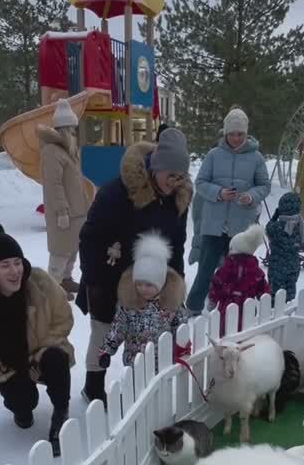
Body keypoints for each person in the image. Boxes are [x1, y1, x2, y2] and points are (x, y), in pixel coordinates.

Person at [78, 127, 192, 405]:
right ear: (156, 166)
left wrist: (176, 283)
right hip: (110, 273)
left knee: (151, 333)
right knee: (105, 331)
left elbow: (177, 243)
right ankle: (93, 386)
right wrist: (95, 280)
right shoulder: (116, 192)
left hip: (154, 279)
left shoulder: (179, 196)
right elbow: (89, 237)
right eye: (171, 175)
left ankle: (144, 384)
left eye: (181, 177)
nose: (175, 182)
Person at [0, 222, 74, 457]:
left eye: (18, 262)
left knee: (56, 359)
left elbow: (63, 320)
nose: (15, 271)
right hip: (7, 362)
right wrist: (7, 365)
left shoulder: (40, 282)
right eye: (5, 265)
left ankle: (61, 413)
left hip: (43, 351)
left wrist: (39, 354)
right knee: (23, 401)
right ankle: (22, 408)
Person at [186, 107, 271, 315]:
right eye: (231, 133)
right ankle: (193, 307)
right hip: (213, 224)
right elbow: (201, 182)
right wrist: (218, 193)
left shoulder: (256, 158)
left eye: (240, 134)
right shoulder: (214, 155)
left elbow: (264, 186)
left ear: (246, 133)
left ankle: (233, 307)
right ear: (225, 133)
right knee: (206, 268)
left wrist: (250, 196)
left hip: (240, 227)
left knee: (238, 270)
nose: (235, 138)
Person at [98, 232, 188, 369]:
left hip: (161, 364)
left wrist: (183, 349)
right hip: (134, 363)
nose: (143, 289)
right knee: (134, 388)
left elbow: (180, 328)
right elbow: (118, 329)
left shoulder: (172, 304)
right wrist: (106, 351)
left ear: (161, 283)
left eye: (149, 285)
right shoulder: (129, 304)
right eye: (139, 284)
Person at [38, 98, 91, 297]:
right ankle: (53, 287)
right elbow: (54, 185)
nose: (75, 134)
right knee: (60, 252)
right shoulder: (52, 152)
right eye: (72, 129)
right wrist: (62, 210)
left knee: (72, 249)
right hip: (64, 213)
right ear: (65, 130)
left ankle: (66, 280)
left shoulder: (67, 151)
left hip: (76, 212)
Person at [207, 224, 270, 334]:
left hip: (226, 307)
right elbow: (263, 288)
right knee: (246, 332)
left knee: (224, 332)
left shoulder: (225, 268)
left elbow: (217, 284)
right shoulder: (255, 270)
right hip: (248, 308)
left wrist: (213, 300)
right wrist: (265, 298)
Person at [266, 190, 304, 302]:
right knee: (290, 284)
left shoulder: (279, 226)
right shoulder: (299, 223)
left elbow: (268, 229)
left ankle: (275, 308)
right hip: (293, 262)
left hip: (278, 263)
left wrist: (274, 217)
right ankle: (288, 302)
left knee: (276, 289)